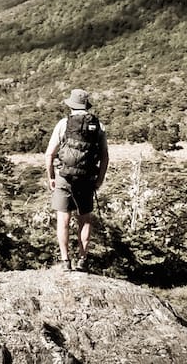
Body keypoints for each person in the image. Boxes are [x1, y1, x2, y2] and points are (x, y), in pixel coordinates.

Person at [44, 88, 109, 271]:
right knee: (85, 220)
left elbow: (49, 155)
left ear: (71, 105)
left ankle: (65, 261)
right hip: (87, 179)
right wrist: (99, 180)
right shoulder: (98, 126)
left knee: (63, 219)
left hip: (64, 177)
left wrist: (51, 178)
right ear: (86, 105)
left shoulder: (63, 124)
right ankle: (83, 259)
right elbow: (105, 157)